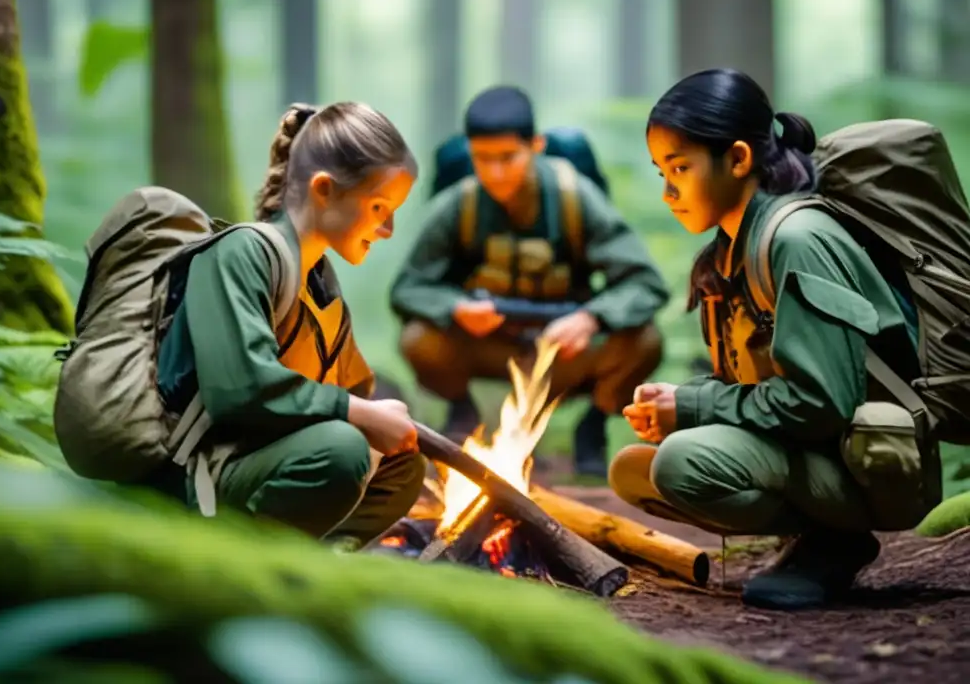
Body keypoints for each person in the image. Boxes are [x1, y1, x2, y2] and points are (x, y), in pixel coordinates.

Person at [609, 68, 934, 609]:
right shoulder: (733, 250)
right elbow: (757, 378)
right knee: (633, 471)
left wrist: (693, 406)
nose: (668, 190)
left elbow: (822, 403)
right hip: (811, 451)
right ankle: (815, 536)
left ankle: (835, 541)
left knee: (679, 463)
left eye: (681, 168)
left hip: (871, 466)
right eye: (662, 171)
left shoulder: (797, 241)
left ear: (738, 159)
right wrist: (679, 401)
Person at [151, 102, 425, 547]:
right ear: (324, 190)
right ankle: (248, 567)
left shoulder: (323, 289)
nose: (389, 228)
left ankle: (321, 562)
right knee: (343, 450)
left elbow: (354, 394)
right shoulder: (240, 254)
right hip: (193, 477)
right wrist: (357, 414)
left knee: (402, 463)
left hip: (262, 460)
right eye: (379, 207)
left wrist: (376, 416)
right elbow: (237, 390)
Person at [390, 85, 669, 477]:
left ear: (536, 145)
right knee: (419, 337)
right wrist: (454, 308)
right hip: (487, 345)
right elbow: (407, 288)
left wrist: (591, 319)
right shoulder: (460, 204)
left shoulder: (576, 197)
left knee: (645, 341)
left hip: (563, 352)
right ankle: (462, 411)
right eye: (483, 159)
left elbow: (645, 283)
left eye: (508, 157)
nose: (496, 172)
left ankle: (593, 426)